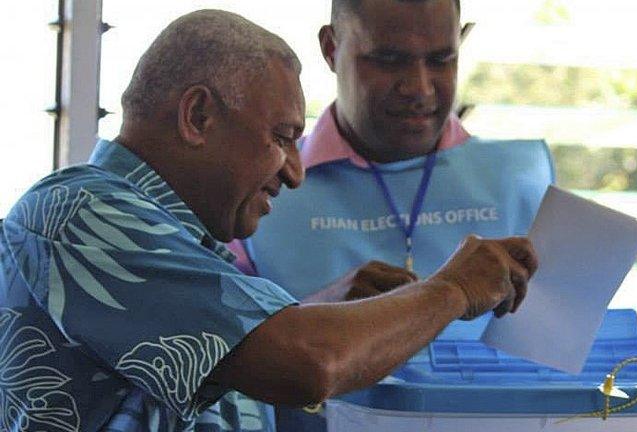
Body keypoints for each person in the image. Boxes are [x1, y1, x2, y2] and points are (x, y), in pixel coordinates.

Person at [0, 9, 537, 432]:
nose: (296, 172)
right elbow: (308, 366)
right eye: (281, 138)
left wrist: (317, 312)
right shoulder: (81, 212)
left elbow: (227, 364)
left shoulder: (179, 239)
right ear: (198, 116)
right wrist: (452, 290)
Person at [241, 0, 554, 302]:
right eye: (389, 60)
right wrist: (318, 320)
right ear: (331, 48)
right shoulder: (251, 186)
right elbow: (212, 349)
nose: (420, 88)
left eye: (441, 60)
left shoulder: (524, 183)